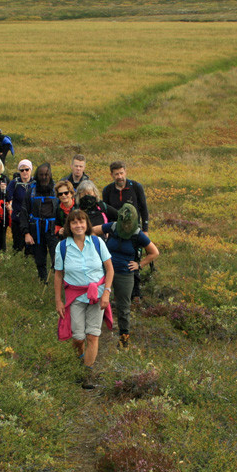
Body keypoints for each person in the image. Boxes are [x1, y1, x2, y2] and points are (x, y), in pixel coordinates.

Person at [55, 210, 114, 390]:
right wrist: (58, 301)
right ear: (69, 226)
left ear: (87, 224)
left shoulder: (97, 242)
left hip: (98, 295)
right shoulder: (63, 247)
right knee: (78, 337)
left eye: (81, 222)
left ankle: (87, 373)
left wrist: (106, 293)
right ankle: (80, 356)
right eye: (74, 223)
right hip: (75, 297)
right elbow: (58, 275)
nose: (78, 226)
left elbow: (109, 270)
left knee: (92, 335)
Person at [94, 203, 159, 349]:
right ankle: (97, 333)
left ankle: (124, 340)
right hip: (105, 271)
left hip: (125, 274)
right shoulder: (112, 226)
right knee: (99, 300)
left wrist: (139, 265)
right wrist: (96, 248)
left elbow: (154, 252)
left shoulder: (137, 234)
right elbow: (92, 231)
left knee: (123, 307)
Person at [102, 160, 151, 301]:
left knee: (134, 258)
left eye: (121, 173)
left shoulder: (136, 187)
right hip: (114, 230)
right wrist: (106, 229)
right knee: (113, 258)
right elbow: (105, 212)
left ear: (125, 172)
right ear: (111, 175)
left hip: (134, 230)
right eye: (116, 174)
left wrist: (145, 230)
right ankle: (112, 289)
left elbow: (144, 209)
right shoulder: (107, 190)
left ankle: (135, 293)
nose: (120, 176)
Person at [19, 163, 61, 284]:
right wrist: (26, 233)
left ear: (50, 175)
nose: (44, 177)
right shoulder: (31, 191)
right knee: (39, 258)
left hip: (54, 230)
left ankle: (59, 283)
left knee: (57, 258)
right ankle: (43, 282)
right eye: (41, 174)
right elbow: (24, 213)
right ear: (37, 175)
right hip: (36, 230)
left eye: (46, 175)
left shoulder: (56, 190)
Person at [5, 159, 35, 253]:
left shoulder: (35, 183)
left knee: (31, 246)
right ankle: (17, 263)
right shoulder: (14, 183)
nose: (24, 172)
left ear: (30, 170)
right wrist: (4, 192)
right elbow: (7, 197)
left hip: (32, 219)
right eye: (22, 170)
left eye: (27, 169)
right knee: (17, 245)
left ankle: (28, 263)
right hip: (17, 218)